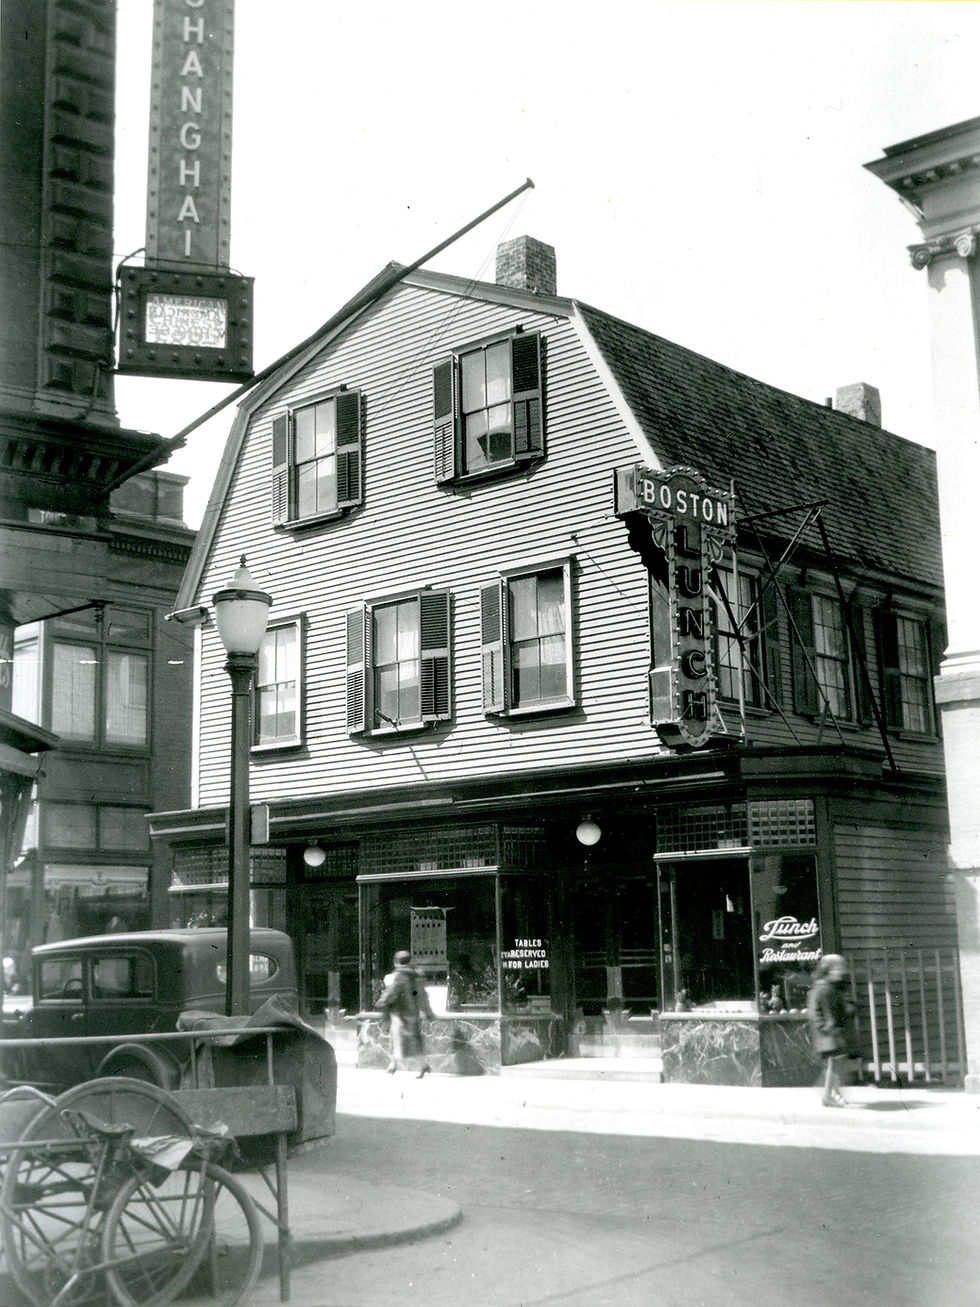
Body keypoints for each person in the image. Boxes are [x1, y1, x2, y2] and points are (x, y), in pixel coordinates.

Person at [807, 954, 857, 1107]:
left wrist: (849, 1007)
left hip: (834, 1031)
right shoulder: (821, 988)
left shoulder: (836, 987)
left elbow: (844, 1008)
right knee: (834, 1064)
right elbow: (814, 1012)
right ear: (828, 970)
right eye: (838, 969)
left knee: (835, 1064)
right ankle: (828, 1096)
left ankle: (834, 1093)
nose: (841, 972)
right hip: (827, 1034)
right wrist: (824, 1027)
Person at [377, 950, 434, 1078]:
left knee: (398, 1039)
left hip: (400, 1013)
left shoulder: (399, 975)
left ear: (396, 962)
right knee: (413, 1040)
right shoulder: (416, 975)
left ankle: (394, 1066)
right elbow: (422, 995)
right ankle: (397, 1065)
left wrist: (383, 1000)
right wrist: (427, 1011)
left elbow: (392, 992)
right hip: (414, 1013)